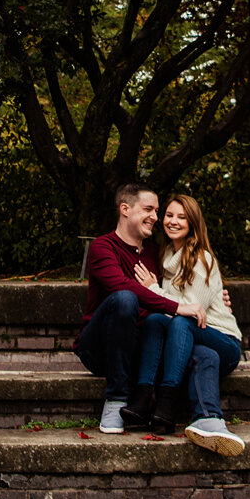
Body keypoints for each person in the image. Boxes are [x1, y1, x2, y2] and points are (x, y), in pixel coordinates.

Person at [74, 182, 202, 434]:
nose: (155, 217)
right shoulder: (103, 247)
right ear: (125, 209)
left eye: (156, 211)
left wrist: (215, 296)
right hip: (99, 348)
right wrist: (178, 307)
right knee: (125, 298)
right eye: (148, 209)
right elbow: (123, 286)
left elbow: (182, 284)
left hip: (140, 348)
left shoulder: (156, 253)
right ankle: (116, 398)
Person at [132, 193, 244, 457]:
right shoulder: (167, 257)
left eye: (182, 217)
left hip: (224, 340)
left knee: (180, 321)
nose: (173, 221)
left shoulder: (201, 259)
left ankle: (166, 402)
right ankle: (209, 419)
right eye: (169, 215)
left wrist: (154, 291)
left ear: (192, 223)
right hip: (201, 342)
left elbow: (191, 311)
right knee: (202, 355)